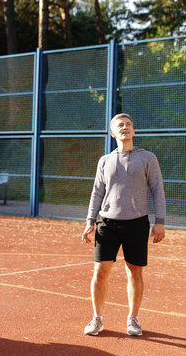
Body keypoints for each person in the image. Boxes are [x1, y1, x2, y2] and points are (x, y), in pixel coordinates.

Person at [81, 113, 166, 336]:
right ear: (112, 132)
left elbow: (158, 190)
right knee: (100, 271)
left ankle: (133, 319)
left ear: (134, 131)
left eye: (129, 125)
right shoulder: (104, 161)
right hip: (106, 223)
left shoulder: (148, 158)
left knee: (135, 272)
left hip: (137, 224)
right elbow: (96, 193)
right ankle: (97, 319)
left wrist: (160, 221)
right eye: (120, 125)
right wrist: (90, 220)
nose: (125, 127)